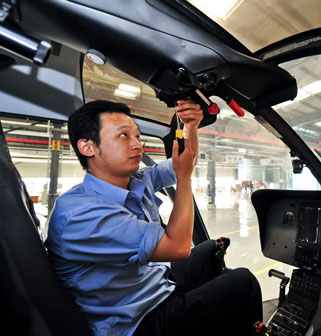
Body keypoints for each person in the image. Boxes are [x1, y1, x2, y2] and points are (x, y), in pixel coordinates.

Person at [45, 100, 263, 336]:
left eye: (137, 136)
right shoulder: (82, 214)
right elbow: (178, 248)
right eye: (124, 136)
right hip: (137, 321)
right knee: (243, 282)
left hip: (149, 286)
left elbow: (185, 160)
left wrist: (191, 126)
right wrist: (184, 179)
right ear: (88, 147)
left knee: (210, 249)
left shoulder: (137, 180)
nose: (137, 144)